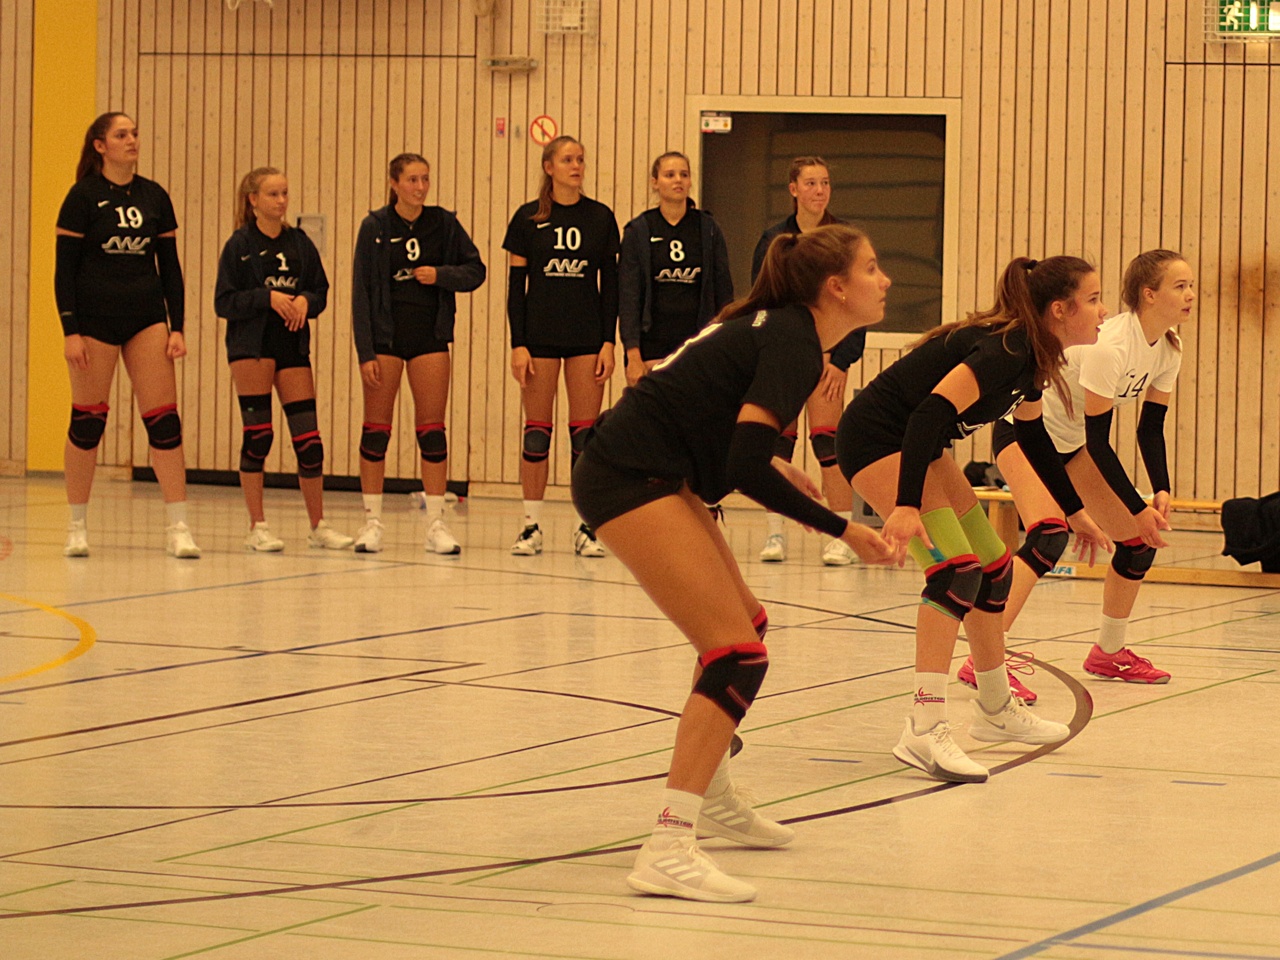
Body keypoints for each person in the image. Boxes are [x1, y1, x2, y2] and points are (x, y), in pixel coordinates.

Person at [573, 224, 896, 903]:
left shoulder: (786, 331)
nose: (885, 279)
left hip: (660, 472)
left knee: (746, 626)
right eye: (872, 268)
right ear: (836, 287)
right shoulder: (793, 340)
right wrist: (845, 530)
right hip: (625, 476)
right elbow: (744, 464)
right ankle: (668, 847)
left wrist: (776, 465)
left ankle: (712, 793)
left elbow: (728, 432)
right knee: (737, 656)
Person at [837, 256, 1113, 783]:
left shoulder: (1036, 355)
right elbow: (928, 413)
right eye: (1095, 299)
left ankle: (995, 708)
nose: (1104, 311)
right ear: (1060, 309)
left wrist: (1075, 511)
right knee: (954, 572)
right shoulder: (1005, 349)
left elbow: (1033, 437)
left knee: (994, 566)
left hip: (920, 443)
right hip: (877, 439)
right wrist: (906, 504)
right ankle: (923, 726)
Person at [962, 250, 1194, 692]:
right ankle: (983, 660)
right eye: (1180, 286)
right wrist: (1135, 506)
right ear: (1149, 294)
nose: (1190, 295)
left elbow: (1150, 428)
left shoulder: (1169, 348)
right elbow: (1100, 443)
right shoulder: (1111, 346)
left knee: (1137, 543)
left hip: (1069, 446)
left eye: (1191, 286)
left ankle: (1108, 652)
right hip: (1024, 434)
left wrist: (1160, 489)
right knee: (1049, 536)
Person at [54, 112, 200, 559]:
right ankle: (77, 525)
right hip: (94, 322)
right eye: (122, 135)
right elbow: (64, 271)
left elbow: (170, 268)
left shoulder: (154, 196)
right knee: (88, 422)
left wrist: (177, 326)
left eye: (135, 133)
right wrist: (71, 330)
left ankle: (178, 526)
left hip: (146, 318)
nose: (132, 140)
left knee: (165, 422)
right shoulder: (82, 197)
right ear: (100, 145)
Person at [351, 153, 486, 554]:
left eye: (425, 179)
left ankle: (436, 524)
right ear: (394, 183)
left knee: (432, 431)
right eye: (412, 180)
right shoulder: (375, 226)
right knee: (376, 431)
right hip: (386, 340)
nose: (420, 187)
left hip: (429, 336)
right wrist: (365, 351)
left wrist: (441, 274)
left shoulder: (443, 223)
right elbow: (360, 292)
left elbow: (475, 270)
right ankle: (372, 521)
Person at [214, 167, 352, 552]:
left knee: (309, 440)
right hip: (252, 348)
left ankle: (318, 525)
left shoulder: (299, 243)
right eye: (273, 194)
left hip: (292, 348)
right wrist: (267, 298)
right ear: (253, 200)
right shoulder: (239, 244)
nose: (281, 201)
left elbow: (320, 290)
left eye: (285, 193)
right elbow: (224, 301)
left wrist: (306, 301)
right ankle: (257, 526)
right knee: (259, 436)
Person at [504, 135, 619, 557]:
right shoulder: (527, 218)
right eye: (568, 159)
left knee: (584, 437)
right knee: (537, 433)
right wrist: (518, 344)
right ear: (549, 167)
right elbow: (516, 289)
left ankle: (585, 527)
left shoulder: (600, 217)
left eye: (581, 160)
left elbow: (611, 288)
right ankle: (530, 526)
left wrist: (608, 341)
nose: (576, 166)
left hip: (587, 337)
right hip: (539, 338)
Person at [751, 156, 866, 565]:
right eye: (811, 183)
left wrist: (841, 360)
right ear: (793, 189)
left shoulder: (845, 240)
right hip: (784, 355)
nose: (819, 190)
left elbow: (859, 304)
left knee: (826, 441)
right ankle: (775, 533)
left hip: (827, 358)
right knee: (777, 442)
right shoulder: (775, 240)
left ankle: (841, 534)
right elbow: (762, 301)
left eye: (825, 182)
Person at [619, 151, 733, 381]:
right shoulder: (639, 230)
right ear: (655, 182)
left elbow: (723, 290)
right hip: (652, 344)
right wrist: (633, 353)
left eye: (684, 174)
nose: (678, 180)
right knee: (653, 403)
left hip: (699, 340)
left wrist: (724, 340)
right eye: (670, 175)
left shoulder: (708, 228)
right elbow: (629, 296)